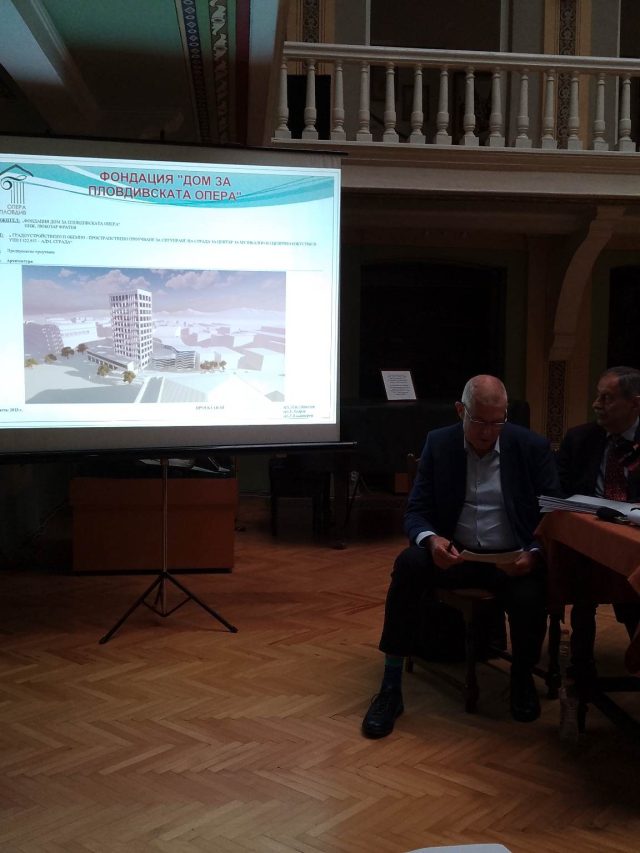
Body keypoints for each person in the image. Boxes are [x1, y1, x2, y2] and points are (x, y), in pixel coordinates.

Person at [361, 375, 561, 738]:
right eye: (479, 421)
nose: (487, 432)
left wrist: (534, 554)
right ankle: (390, 687)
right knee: (407, 565)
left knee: (532, 594)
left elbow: (554, 513)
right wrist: (432, 540)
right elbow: (416, 511)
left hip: (510, 561)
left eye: (497, 422)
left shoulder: (530, 447)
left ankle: (521, 679)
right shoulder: (440, 443)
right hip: (455, 556)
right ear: (460, 411)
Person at [556, 365, 640, 682]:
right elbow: (558, 491)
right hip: (587, 541)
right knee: (581, 578)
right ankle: (581, 665)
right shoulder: (580, 439)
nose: (596, 405)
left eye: (607, 398)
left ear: (635, 404)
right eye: (597, 396)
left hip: (634, 539)